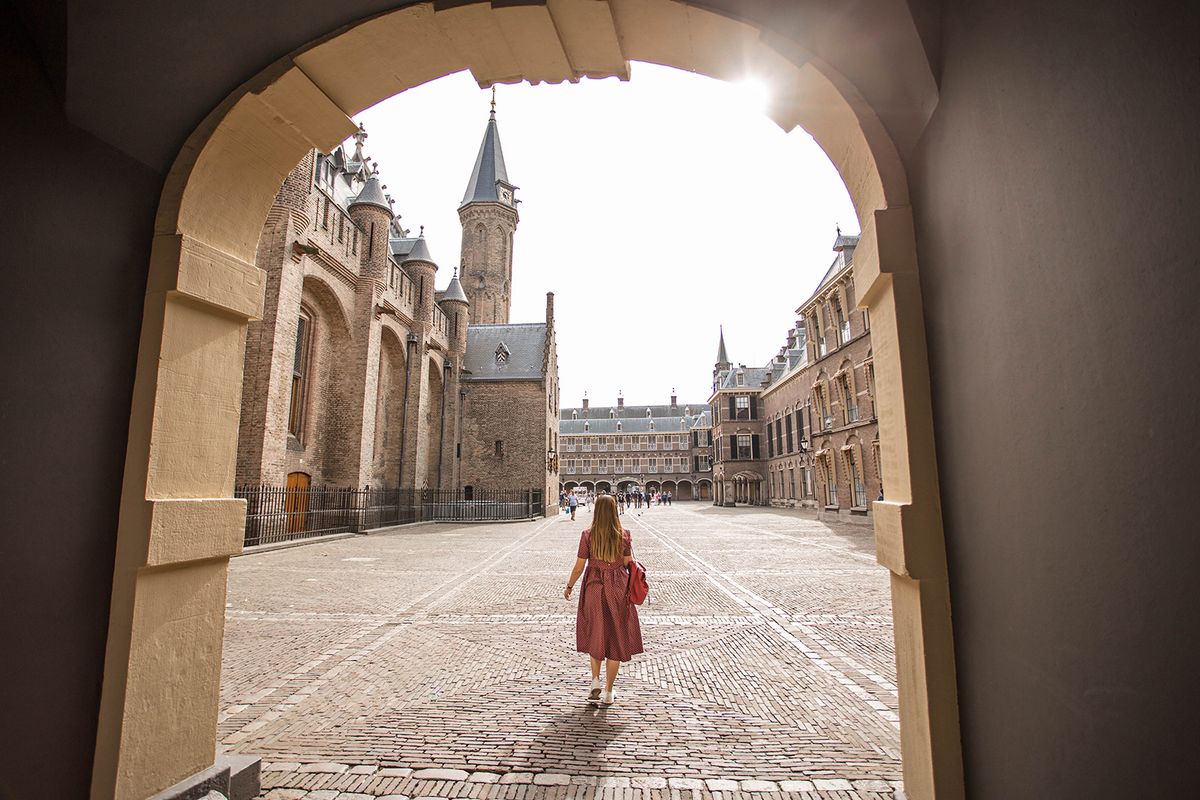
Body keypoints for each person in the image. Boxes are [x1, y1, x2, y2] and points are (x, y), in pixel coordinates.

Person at [563, 494, 644, 706]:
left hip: (594, 588)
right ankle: (609, 691)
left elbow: (579, 567)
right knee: (616, 637)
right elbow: (628, 564)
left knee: (596, 633)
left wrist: (569, 585)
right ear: (615, 509)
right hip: (617, 588)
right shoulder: (623, 535)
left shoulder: (587, 535)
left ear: (596, 510)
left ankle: (595, 680)